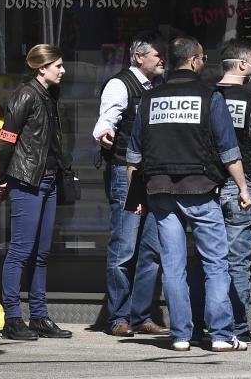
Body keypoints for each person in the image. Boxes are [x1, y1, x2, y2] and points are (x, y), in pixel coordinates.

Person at [126, 36, 251, 352]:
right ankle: (222, 335)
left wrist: (135, 197)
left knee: (173, 265)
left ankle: (181, 335)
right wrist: (243, 187)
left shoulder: (149, 99)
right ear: (195, 60)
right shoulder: (210, 96)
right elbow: (228, 151)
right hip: (201, 189)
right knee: (216, 263)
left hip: (161, 192)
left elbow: (134, 156)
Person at [190, 38, 251, 346]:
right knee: (236, 262)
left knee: (207, 260)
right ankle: (236, 328)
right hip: (243, 188)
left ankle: (199, 324)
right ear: (242, 65)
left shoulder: (204, 97)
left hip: (205, 187)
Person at [0, 44, 74, 341]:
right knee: (20, 251)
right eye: (58, 66)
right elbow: (5, 141)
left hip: (49, 180)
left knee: (41, 253)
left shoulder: (50, 95)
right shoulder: (25, 96)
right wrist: (1, 177)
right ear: (42, 68)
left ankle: (39, 316)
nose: (63, 71)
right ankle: (13, 319)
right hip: (28, 181)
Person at [93, 33, 168, 337]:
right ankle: (119, 317)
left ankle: (141, 316)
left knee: (150, 249)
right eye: (157, 54)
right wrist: (105, 131)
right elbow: (106, 119)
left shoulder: (159, 87)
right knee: (124, 247)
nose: (162, 59)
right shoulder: (120, 84)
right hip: (127, 172)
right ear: (139, 56)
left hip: (154, 174)